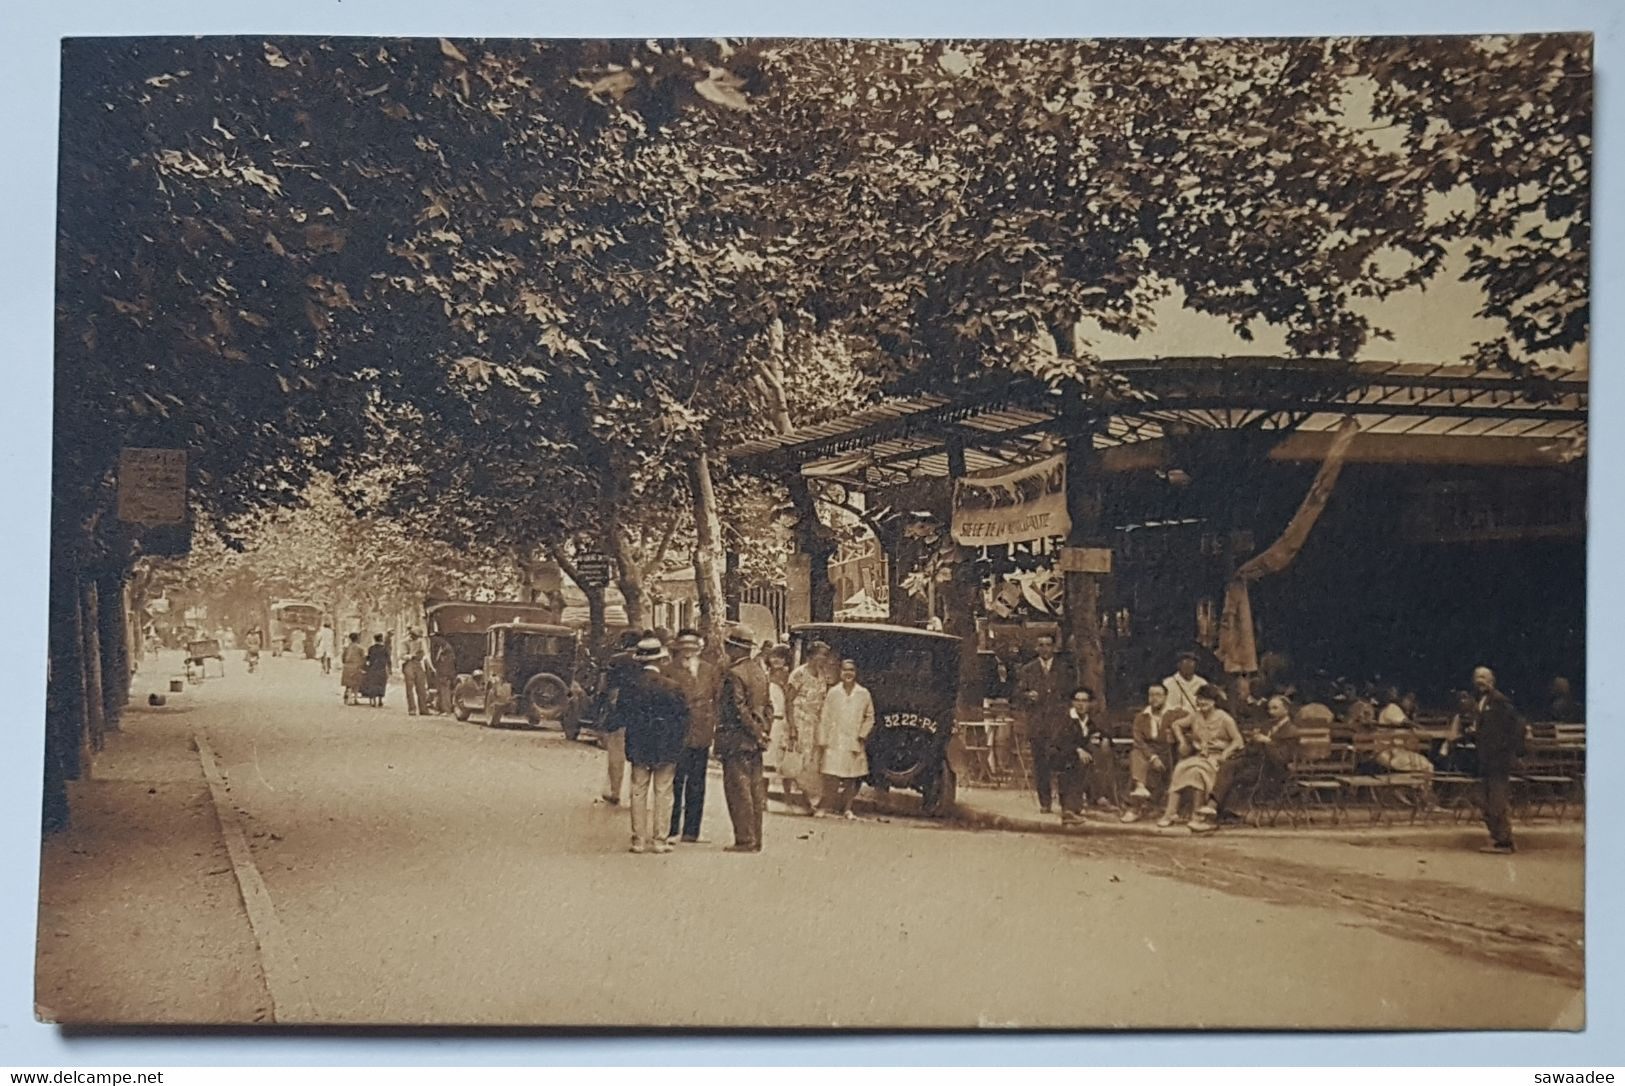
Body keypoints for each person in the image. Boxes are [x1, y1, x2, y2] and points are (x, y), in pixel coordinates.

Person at [618, 637, 690, 855]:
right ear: (660, 660)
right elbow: (684, 719)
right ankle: (659, 839)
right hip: (666, 746)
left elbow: (621, 714)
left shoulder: (630, 686)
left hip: (639, 744)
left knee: (638, 791)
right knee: (664, 792)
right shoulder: (672, 687)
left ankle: (638, 840)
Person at [716, 626, 773, 852]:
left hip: (737, 738)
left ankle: (745, 839)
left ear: (735, 648)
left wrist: (754, 731)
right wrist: (763, 730)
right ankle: (756, 838)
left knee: (738, 791)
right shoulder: (760, 672)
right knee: (755, 790)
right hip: (756, 739)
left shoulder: (734, 674)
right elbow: (769, 706)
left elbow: (738, 709)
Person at [664, 628, 722, 844]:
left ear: (699, 649)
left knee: (697, 782)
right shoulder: (668, 671)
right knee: (675, 781)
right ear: (677, 650)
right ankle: (670, 828)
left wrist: (713, 726)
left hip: (702, 732)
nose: (688, 653)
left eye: (692, 649)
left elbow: (716, 700)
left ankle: (691, 830)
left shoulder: (710, 670)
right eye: (684, 649)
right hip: (676, 733)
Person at [1159, 684, 1244, 832]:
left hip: (1216, 758)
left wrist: (1226, 753)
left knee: (1198, 772)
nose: (1202, 703)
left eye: (1207, 700)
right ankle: (1170, 812)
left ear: (1214, 702)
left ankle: (1197, 815)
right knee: (1181, 768)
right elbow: (1176, 724)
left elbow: (1238, 740)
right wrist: (1182, 741)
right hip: (1200, 755)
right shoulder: (1195, 716)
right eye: (1200, 699)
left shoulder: (1224, 718)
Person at [1016, 634, 1077, 815]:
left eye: (1048, 645)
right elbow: (1018, 693)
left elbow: (1070, 696)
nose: (1044, 649)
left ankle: (1066, 803)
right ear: (1036, 648)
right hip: (1038, 724)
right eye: (1041, 645)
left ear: (1053, 648)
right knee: (1040, 764)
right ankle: (1045, 802)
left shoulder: (1064, 669)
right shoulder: (1028, 670)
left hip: (1058, 724)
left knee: (1060, 762)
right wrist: (1027, 696)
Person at [1472, 665, 1524, 855]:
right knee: (1483, 799)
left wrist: (1509, 750)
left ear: (1492, 680)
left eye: (1484, 677)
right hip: (1486, 758)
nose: (1480, 680)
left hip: (1498, 759)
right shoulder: (1481, 702)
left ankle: (1504, 840)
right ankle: (1497, 837)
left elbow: (1517, 727)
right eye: (1477, 677)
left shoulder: (1499, 701)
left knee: (1496, 801)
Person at [816, 658, 876, 819]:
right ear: (840, 672)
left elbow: (870, 717)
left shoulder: (863, 693)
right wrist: (822, 739)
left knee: (851, 777)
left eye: (851, 670)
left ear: (856, 673)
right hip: (835, 739)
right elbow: (825, 716)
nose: (848, 673)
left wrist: (862, 735)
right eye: (845, 670)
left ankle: (847, 809)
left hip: (854, 739)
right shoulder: (833, 692)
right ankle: (826, 807)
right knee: (831, 776)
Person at [1122, 682, 1185, 823]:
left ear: (1166, 697)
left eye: (1158, 695)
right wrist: (1153, 757)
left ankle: (1135, 804)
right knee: (1136, 753)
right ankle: (1138, 794)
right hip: (1148, 753)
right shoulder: (1141, 717)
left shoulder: (1176, 714)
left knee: (1139, 761)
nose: (1154, 698)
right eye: (1151, 695)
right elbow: (1139, 740)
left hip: (1168, 753)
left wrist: (1176, 736)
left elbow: (1192, 726)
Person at [784, 640, 836, 812]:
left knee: (809, 762)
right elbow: (789, 701)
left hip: (814, 722)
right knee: (795, 759)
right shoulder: (798, 674)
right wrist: (792, 727)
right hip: (799, 720)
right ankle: (791, 798)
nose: (824, 659)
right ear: (812, 655)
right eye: (821, 654)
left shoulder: (822, 675)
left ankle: (805, 800)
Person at [595, 631, 645, 807]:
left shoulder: (616, 660)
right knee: (638, 756)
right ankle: (636, 794)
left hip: (619, 712)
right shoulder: (645, 660)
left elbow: (605, 688)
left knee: (616, 753)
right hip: (641, 714)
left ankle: (615, 791)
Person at [1053, 687, 1111, 826]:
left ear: (1090, 703)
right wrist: (1077, 749)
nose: (1080, 704)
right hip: (1061, 755)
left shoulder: (1090, 720)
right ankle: (1070, 809)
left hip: (1080, 757)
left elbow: (1102, 732)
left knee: (1098, 758)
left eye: (1084, 701)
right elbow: (1058, 741)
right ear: (1072, 703)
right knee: (1076, 765)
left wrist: (1105, 739)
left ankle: (1096, 797)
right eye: (1077, 700)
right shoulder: (1066, 719)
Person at [1163, 651, 1208, 717]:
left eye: (1191, 666)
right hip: (1173, 718)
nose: (1188, 669)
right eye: (1186, 666)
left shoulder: (1202, 683)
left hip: (1196, 719)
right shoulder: (1168, 683)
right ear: (1179, 665)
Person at [402, 628, 430, 716]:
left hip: (418, 664)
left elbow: (425, 653)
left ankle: (423, 709)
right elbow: (402, 655)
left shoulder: (421, 642)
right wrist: (411, 655)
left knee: (421, 687)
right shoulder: (404, 642)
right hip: (409, 664)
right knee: (409, 688)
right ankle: (412, 709)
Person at [429, 631, 456, 715]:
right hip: (441, 673)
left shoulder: (447, 650)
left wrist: (446, 675)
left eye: (435, 638)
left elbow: (448, 664)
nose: (434, 640)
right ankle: (440, 709)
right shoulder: (442, 648)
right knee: (440, 692)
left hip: (445, 674)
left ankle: (446, 710)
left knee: (445, 692)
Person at [361, 634, 390, 708]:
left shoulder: (371, 648)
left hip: (373, 669)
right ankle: (380, 700)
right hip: (382, 669)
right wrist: (390, 669)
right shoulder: (385, 648)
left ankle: (373, 701)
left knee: (373, 684)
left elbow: (368, 658)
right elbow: (388, 660)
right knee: (381, 684)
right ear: (381, 639)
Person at [340, 632, 365, 704]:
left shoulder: (346, 648)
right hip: (356, 667)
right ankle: (355, 698)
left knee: (348, 683)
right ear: (357, 638)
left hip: (347, 666)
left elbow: (343, 658)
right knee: (356, 684)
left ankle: (347, 694)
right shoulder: (360, 648)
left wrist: (345, 663)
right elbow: (363, 658)